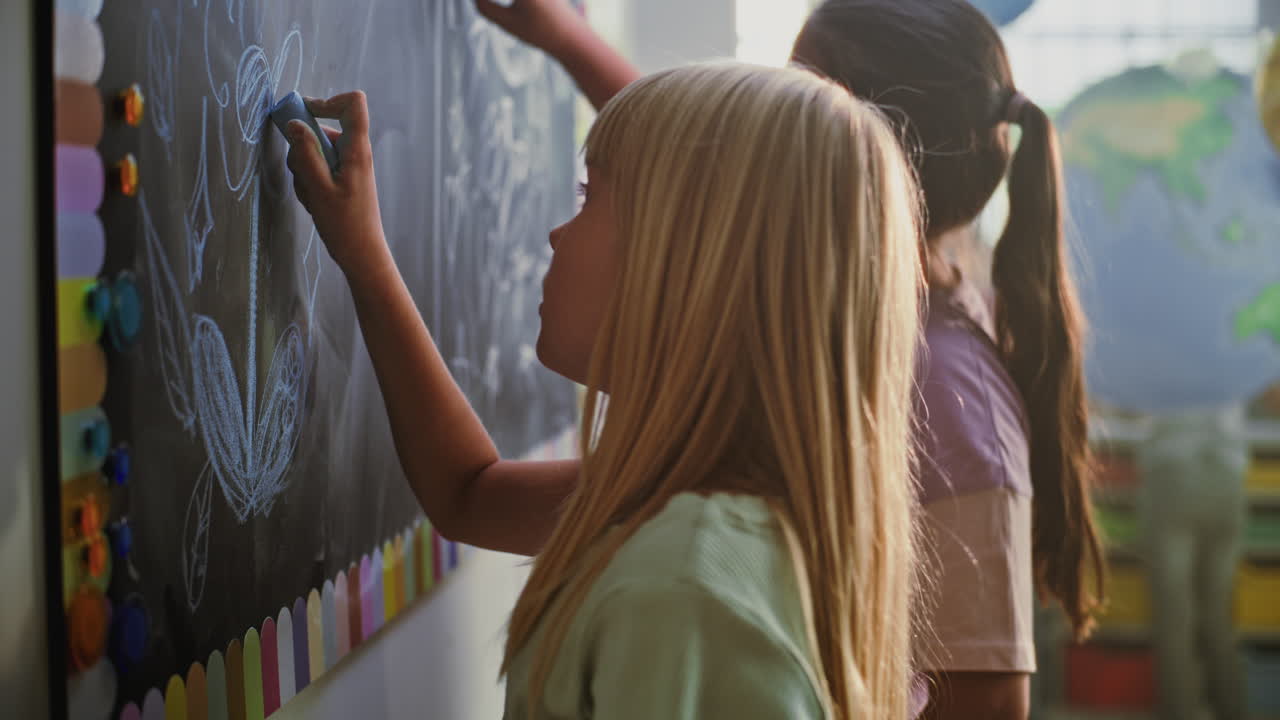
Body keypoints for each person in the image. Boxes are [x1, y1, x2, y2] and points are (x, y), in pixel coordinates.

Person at [473, 1, 1107, 718]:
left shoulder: (942, 384)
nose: (757, 123)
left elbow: (992, 700)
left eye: (791, 90)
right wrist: (566, 37)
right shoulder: (838, 352)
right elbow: (688, 170)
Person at [284, 62, 925, 718]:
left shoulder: (681, 585)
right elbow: (467, 493)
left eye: (589, 196)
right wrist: (367, 260)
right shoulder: (701, 507)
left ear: (685, 260)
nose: (557, 231)